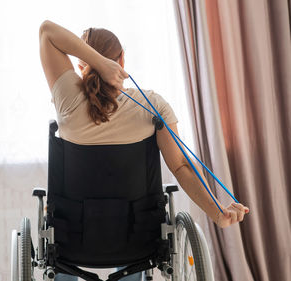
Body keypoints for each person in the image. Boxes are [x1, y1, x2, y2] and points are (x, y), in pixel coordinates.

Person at [38, 20, 250, 281]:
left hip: (74, 239)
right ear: (122, 59)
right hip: (135, 239)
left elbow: (47, 31)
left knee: (61, 244)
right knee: (135, 240)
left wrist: (96, 62)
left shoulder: (68, 101)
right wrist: (217, 212)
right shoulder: (152, 106)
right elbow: (180, 167)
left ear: (80, 64)